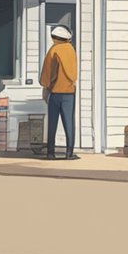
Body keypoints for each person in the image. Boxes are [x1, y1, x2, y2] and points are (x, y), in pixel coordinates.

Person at [40, 24, 79, 160]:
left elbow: (47, 72)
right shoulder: (71, 50)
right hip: (69, 92)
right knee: (69, 122)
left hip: (54, 92)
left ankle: (50, 152)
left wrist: (45, 87)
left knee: (52, 123)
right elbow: (73, 74)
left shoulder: (53, 50)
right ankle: (69, 152)